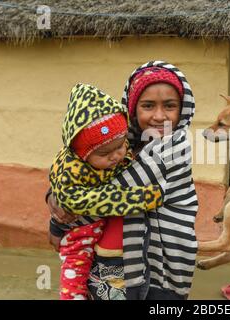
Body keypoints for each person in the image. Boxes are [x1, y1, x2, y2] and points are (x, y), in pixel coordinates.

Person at [47, 61, 198, 300]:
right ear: (131, 107)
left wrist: (60, 222)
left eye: (170, 106)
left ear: (183, 108)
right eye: (148, 106)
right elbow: (81, 173)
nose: (159, 116)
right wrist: (55, 195)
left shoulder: (174, 148)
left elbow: (113, 193)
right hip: (114, 268)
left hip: (162, 268)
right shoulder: (119, 142)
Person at [49, 83, 163, 300]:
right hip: (79, 235)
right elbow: (98, 200)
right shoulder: (70, 169)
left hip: (116, 245)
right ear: (82, 155)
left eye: (121, 146)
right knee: (75, 278)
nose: (116, 156)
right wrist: (145, 197)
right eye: (104, 153)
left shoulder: (124, 148)